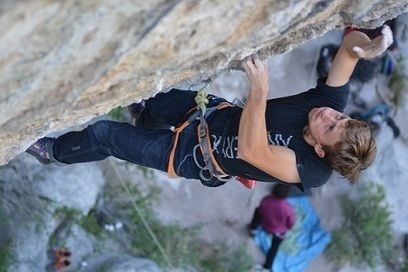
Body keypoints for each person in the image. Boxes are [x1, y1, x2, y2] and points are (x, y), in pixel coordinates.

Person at [26, 25, 393, 192]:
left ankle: (53, 151)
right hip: (209, 115)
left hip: (194, 156)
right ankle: (146, 116)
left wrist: (259, 90)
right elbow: (348, 53)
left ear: (319, 148)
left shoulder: (311, 169)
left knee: (103, 134)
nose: (329, 116)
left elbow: (252, 151)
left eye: (330, 127)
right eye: (339, 117)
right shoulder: (329, 106)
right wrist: (368, 44)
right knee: (152, 103)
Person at [249, 184, 296, 272]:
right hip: (278, 232)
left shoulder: (266, 200)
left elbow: (261, 211)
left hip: (265, 225)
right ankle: (267, 266)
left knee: (257, 211)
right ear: (287, 195)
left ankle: (253, 229)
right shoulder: (288, 209)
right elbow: (291, 223)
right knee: (274, 248)